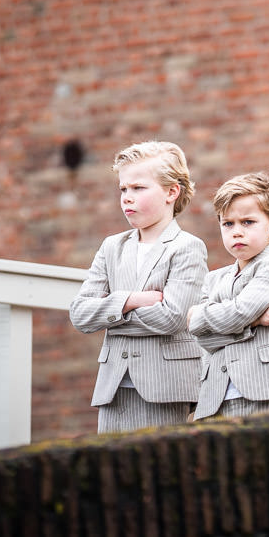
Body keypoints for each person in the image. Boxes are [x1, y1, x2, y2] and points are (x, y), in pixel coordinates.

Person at [69, 141, 208, 433]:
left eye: (138, 188)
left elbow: (171, 318)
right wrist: (131, 300)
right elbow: (80, 314)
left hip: (165, 387)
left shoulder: (187, 248)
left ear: (172, 192)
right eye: (123, 189)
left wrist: (110, 317)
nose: (127, 198)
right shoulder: (112, 247)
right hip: (113, 387)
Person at [188, 172, 269, 419]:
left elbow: (237, 312)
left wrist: (210, 318)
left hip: (268, 391)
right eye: (228, 223)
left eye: (248, 222)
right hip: (215, 397)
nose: (236, 232)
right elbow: (202, 338)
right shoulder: (213, 279)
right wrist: (255, 321)